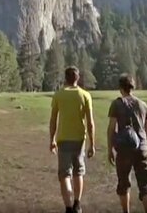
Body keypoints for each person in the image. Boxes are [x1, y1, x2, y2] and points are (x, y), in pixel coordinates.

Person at [107, 74, 147, 213]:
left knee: (123, 184)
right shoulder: (143, 104)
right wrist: (145, 145)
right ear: (132, 87)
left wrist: (110, 149)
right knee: (146, 186)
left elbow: (111, 129)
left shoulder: (117, 103)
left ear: (120, 87)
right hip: (142, 147)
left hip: (124, 149)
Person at [49, 67, 95, 213]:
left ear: (65, 78)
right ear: (77, 78)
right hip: (80, 139)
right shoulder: (85, 95)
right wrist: (92, 144)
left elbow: (53, 120)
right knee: (78, 172)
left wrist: (52, 139)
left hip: (63, 139)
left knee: (65, 174)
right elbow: (90, 122)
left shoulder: (58, 95)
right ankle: (77, 203)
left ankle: (68, 207)